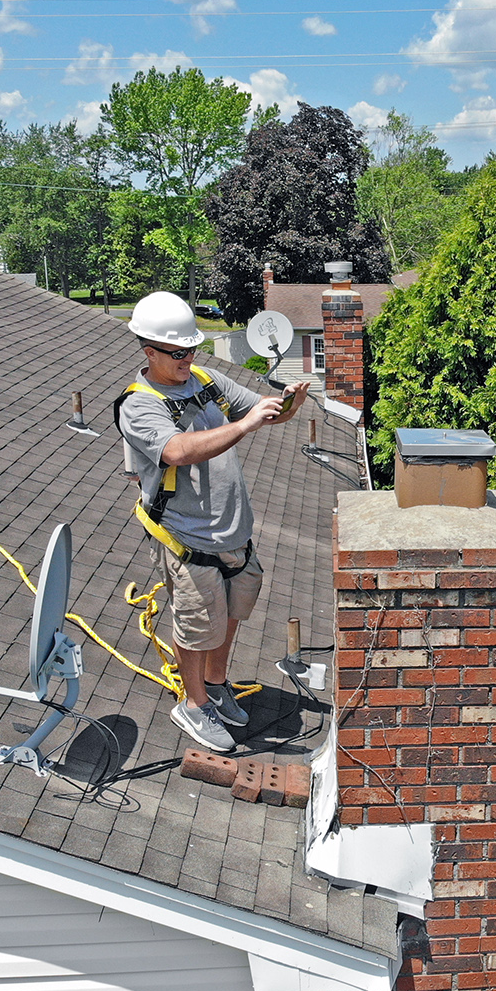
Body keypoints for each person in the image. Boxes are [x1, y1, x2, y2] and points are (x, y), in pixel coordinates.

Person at [114, 291, 309, 753]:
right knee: (198, 625)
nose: (187, 359)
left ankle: (216, 685)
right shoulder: (138, 405)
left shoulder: (205, 379)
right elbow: (177, 451)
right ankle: (194, 703)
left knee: (230, 616)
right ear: (149, 351)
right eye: (177, 352)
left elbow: (262, 411)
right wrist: (245, 426)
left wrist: (288, 403)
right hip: (189, 537)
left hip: (233, 532)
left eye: (192, 349)